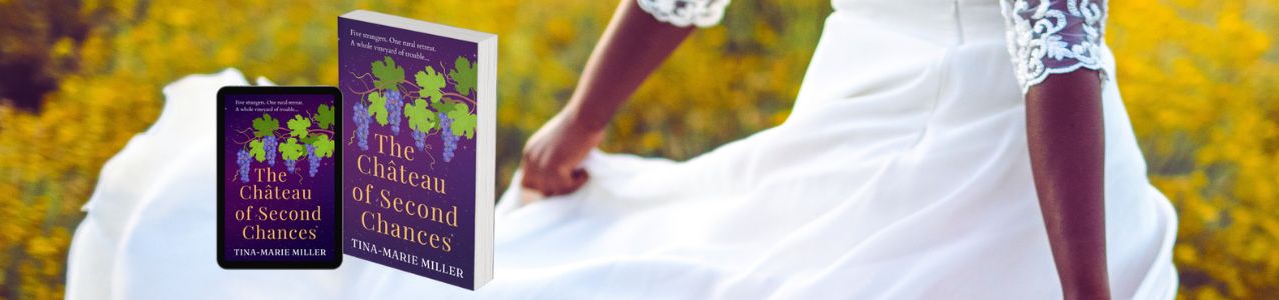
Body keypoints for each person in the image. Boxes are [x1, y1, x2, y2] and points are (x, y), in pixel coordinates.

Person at [500, 0, 1176, 298]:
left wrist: (1086, 292)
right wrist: (582, 120)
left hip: (1014, 176)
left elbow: (1056, 57)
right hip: (853, 123)